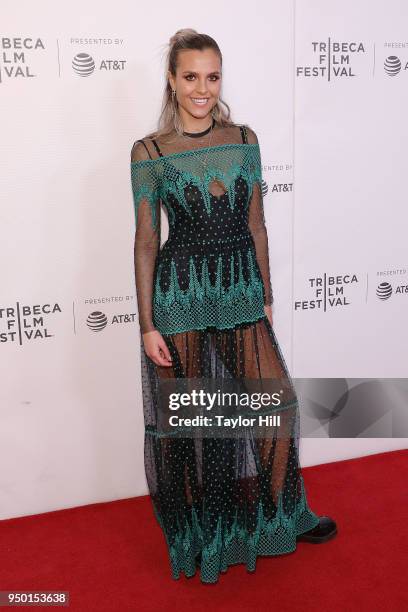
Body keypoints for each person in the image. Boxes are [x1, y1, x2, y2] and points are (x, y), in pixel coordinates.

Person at [130, 28, 337, 584]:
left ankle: (284, 516)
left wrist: (264, 295)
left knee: (278, 404)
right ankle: (206, 535)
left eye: (212, 76)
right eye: (191, 76)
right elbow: (147, 241)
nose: (202, 88)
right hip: (181, 297)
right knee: (199, 425)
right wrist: (148, 323)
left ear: (221, 79)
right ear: (172, 81)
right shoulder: (149, 152)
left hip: (239, 290)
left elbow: (257, 224)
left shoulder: (244, 139)